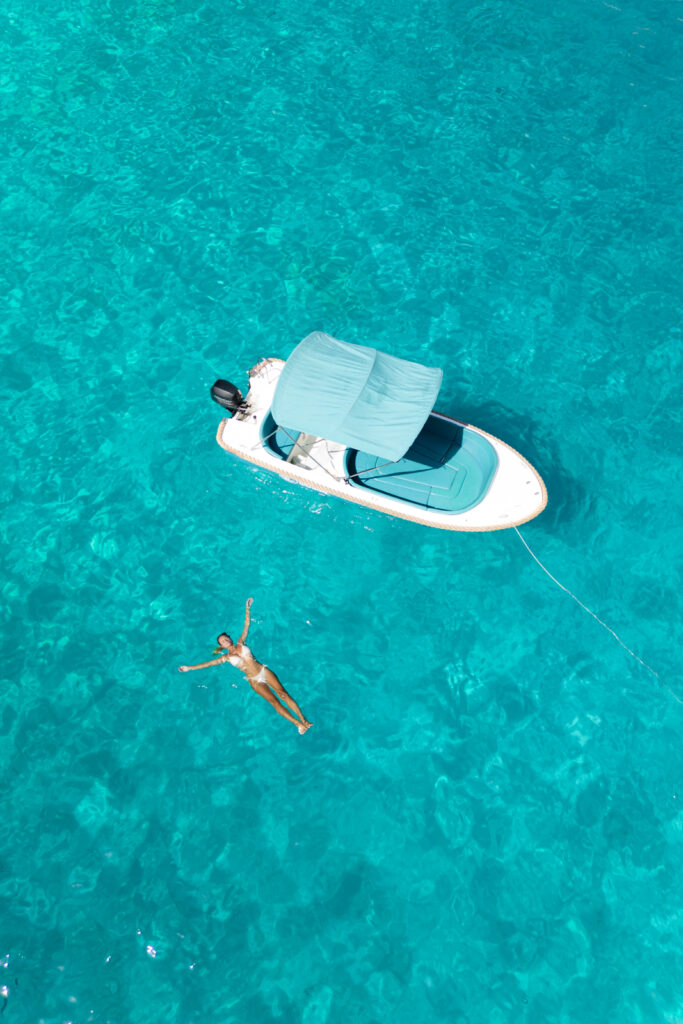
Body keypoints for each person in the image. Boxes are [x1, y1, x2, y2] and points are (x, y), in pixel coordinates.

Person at [178, 597, 312, 734]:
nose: (225, 640)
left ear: (229, 638)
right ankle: (298, 724)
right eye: (222, 641)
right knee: (275, 702)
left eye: (226, 638)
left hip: (263, 671)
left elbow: (246, 625)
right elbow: (207, 664)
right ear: (221, 646)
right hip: (254, 681)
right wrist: (189, 668)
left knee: (283, 694)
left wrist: (247, 609)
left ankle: (304, 719)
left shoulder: (241, 642)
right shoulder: (225, 657)